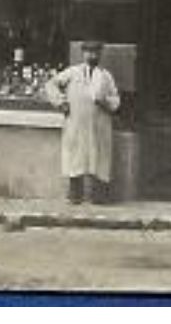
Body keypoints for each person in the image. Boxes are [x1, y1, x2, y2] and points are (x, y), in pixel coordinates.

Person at [44, 40, 121, 205]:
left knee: (99, 158)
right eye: (89, 52)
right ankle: (75, 195)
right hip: (77, 122)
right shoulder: (72, 72)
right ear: (83, 53)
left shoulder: (106, 76)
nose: (92, 55)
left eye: (96, 52)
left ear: (100, 54)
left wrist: (105, 102)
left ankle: (99, 196)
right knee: (75, 158)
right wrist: (61, 102)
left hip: (99, 124)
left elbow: (116, 100)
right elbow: (51, 84)